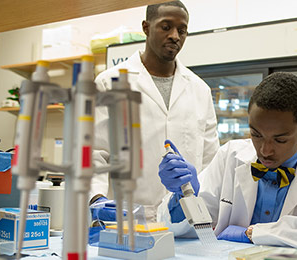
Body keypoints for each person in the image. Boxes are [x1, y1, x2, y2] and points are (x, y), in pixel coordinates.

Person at [156, 72, 297, 251]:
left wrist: (253, 233)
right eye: (256, 135)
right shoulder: (231, 155)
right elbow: (190, 228)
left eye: (280, 139)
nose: (265, 150)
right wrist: (183, 196)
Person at [91, 1, 219, 220]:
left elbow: (211, 161)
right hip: (125, 217)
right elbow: (94, 152)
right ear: (146, 27)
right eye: (166, 26)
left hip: (185, 219)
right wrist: (96, 198)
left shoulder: (200, 90)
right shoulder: (108, 83)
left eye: (182, 30)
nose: (175, 36)